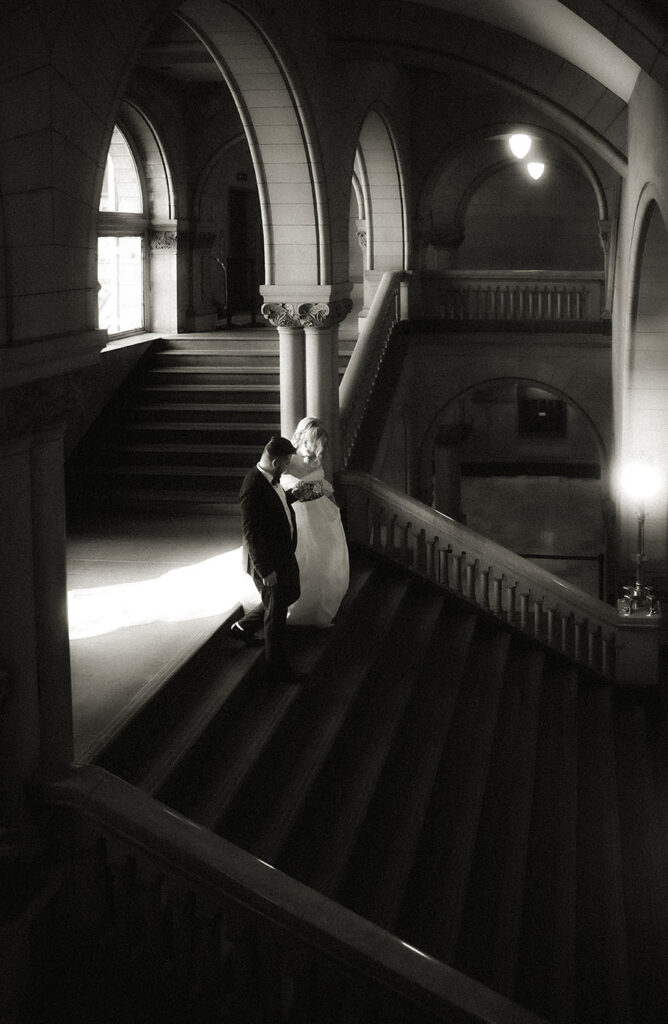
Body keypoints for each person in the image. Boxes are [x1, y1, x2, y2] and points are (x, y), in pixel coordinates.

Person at [230, 436, 300, 682]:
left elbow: (278, 502)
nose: (288, 466)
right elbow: (251, 533)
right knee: (276, 614)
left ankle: (244, 627)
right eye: (286, 462)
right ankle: (277, 669)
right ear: (275, 460)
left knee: (292, 592)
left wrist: (298, 494)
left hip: (282, 554)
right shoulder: (252, 486)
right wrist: (265, 570)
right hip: (267, 561)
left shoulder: (273, 479)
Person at [281, 417, 350, 627]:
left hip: (318, 515)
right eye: (314, 441)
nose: (318, 446)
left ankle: (317, 608)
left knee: (323, 560)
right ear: (302, 438)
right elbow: (283, 490)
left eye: (320, 441)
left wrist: (333, 504)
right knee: (300, 560)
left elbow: (321, 486)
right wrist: (316, 490)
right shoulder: (288, 461)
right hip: (295, 516)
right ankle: (294, 607)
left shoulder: (316, 461)